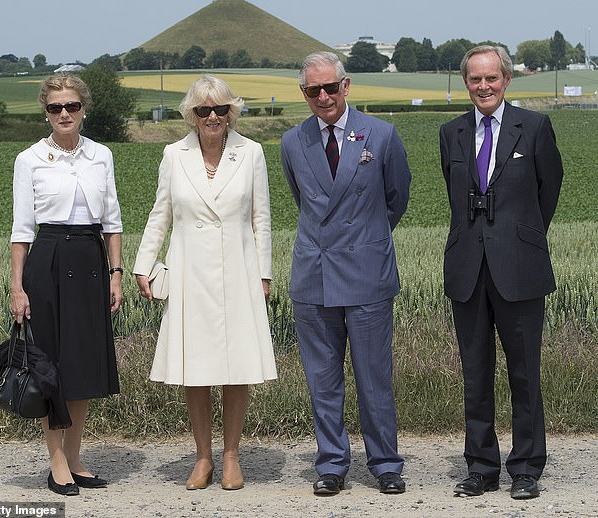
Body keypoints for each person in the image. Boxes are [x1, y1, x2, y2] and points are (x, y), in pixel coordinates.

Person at [133, 75, 277, 491]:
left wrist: (263, 275)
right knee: (194, 369)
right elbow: (160, 214)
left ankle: (231, 456)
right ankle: (203, 458)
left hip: (239, 269)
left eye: (220, 109)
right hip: (189, 271)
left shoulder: (251, 153)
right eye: (203, 110)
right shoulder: (173, 155)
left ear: (231, 112)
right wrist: (144, 265)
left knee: (236, 368)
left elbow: (261, 219)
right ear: (192, 116)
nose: (212, 116)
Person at [281, 52, 411, 496]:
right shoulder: (292, 142)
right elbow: (304, 201)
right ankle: (332, 463)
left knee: (374, 377)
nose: (323, 96)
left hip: (367, 274)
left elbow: (396, 199)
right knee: (322, 378)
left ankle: (385, 463)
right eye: (312, 90)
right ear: (303, 93)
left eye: (330, 87)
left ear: (346, 85)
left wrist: (367, 241)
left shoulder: (382, 134)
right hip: (314, 276)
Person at [439, 46, 563, 500]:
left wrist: (519, 237)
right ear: (465, 83)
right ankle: (482, 466)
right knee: (475, 372)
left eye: (492, 78)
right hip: (468, 269)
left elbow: (548, 189)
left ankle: (526, 467)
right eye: (475, 79)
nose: (484, 87)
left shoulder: (534, 128)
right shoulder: (450, 132)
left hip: (521, 268)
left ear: (507, 80)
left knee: (525, 373)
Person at [10, 74, 123, 496]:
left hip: (92, 261)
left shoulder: (101, 155)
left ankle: (75, 458)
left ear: (83, 110)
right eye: (56, 107)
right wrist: (17, 287)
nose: (64, 114)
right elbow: (22, 230)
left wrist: (116, 274)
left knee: (83, 364)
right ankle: (56, 460)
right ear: (45, 111)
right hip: (49, 262)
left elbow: (112, 221)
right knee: (52, 366)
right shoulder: (30, 159)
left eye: (71, 106)